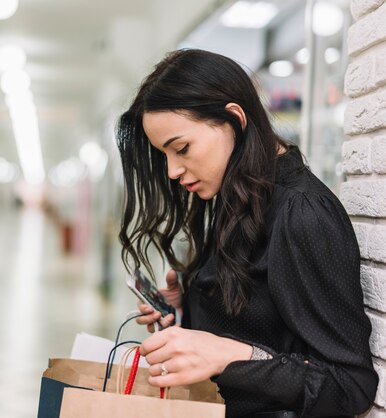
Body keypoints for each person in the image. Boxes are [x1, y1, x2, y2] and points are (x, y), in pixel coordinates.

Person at [116, 49, 378, 418]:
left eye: (182, 148)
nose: (173, 170)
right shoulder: (236, 196)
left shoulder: (302, 215)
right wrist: (185, 309)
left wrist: (227, 355)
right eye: (164, 156)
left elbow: (349, 386)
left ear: (234, 119)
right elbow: (257, 325)